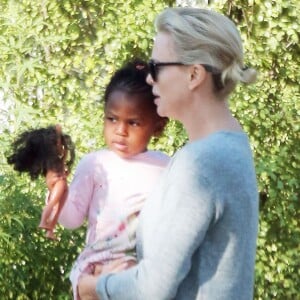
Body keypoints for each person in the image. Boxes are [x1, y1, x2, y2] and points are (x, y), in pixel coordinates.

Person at [78, 7, 259, 300]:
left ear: (194, 75)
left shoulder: (202, 163)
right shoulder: (229, 146)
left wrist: (94, 287)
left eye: (156, 67)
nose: (150, 79)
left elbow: (151, 288)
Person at [57, 59, 170, 299]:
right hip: (95, 266)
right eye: (112, 119)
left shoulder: (165, 168)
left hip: (141, 270)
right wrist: (57, 190)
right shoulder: (95, 165)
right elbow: (70, 220)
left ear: (158, 125)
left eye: (133, 122)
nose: (120, 130)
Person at [6, 124, 75, 240]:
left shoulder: (57, 160)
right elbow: (57, 145)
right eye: (60, 145)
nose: (62, 148)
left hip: (59, 181)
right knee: (53, 204)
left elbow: (64, 156)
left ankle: (50, 230)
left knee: (57, 208)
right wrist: (58, 132)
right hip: (58, 181)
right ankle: (43, 222)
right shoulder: (51, 158)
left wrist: (65, 169)